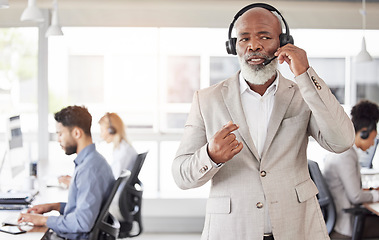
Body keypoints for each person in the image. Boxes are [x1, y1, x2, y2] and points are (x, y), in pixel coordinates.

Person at [171, 3, 355, 240]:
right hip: (232, 231)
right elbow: (180, 176)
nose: (253, 46)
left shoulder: (303, 95)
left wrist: (305, 74)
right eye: (244, 38)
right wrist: (211, 156)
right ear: (233, 46)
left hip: (297, 229)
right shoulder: (207, 99)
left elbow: (342, 141)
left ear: (283, 43)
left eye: (264, 37)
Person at [18, 105, 115, 240]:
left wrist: (43, 220)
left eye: (60, 133)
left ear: (76, 133)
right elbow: (83, 209)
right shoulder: (93, 161)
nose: (58, 139)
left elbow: (82, 223)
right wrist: (54, 206)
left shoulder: (89, 169)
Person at [323, 100, 379, 238]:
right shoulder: (346, 154)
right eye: (373, 138)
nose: (373, 144)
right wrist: (377, 195)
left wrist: (370, 191)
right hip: (346, 224)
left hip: (338, 219)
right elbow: (355, 196)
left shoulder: (340, 148)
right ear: (364, 132)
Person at [98, 112, 138, 179]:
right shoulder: (123, 147)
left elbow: (115, 177)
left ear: (111, 130)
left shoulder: (123, 151)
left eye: (102, 130)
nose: (101, 135)